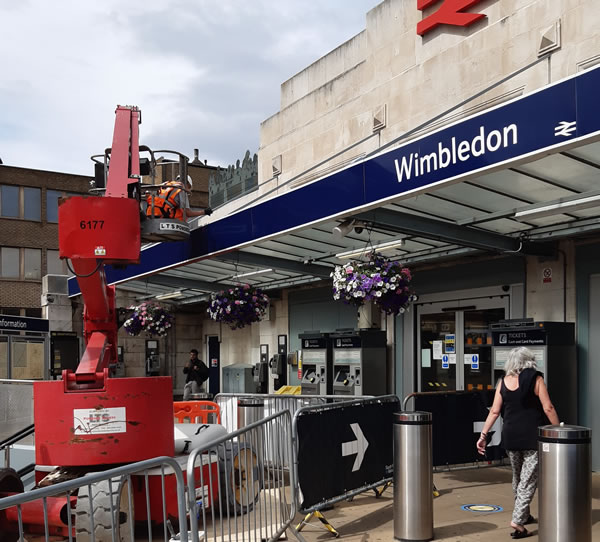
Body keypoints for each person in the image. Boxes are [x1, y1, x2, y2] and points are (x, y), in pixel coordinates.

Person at [476, 346, 559, 539]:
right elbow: (548, 407)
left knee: (518, 478)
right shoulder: (536, 379)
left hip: (511, 436)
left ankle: (525, 514)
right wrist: (558, 429)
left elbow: (495, 411)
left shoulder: (503, 382)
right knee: (528, 481)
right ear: (529, 360)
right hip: (531, 437)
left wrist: (483, 434)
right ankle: (518, 521)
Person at [146, 175, 212, 222]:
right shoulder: (181, 189)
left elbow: (148, 193)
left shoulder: (166, 184)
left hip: (150, 213)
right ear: (187, 183)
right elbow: (187, 213)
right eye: (188, 187)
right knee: (182, 213)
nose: (187, 190)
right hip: (163, 216)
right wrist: (204, 212)